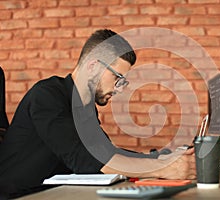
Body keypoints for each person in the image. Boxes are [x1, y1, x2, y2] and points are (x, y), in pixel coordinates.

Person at [0, 29, 196, 198]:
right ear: (93, 66)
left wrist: (161, 158)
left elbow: (107, 154)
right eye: (117, 78)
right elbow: (86, 160)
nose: (119, 89)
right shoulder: (47, 96)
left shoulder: (84, 108)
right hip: (19, 196)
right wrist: (163, 169)